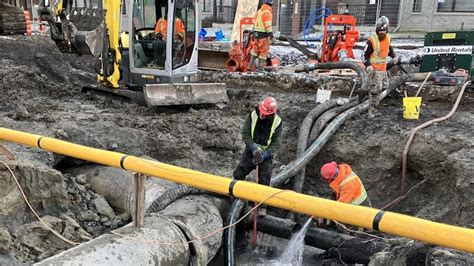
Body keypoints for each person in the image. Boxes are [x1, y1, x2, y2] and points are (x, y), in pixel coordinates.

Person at [232, 97, 283, 215]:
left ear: (271, 113)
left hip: (266, 155)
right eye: (261, 111)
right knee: (240, 171)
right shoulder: (253, 115)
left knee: (265, 179)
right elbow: (245, 134)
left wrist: (265, 155)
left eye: (265, 114)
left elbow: (276, 144)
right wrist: (254, 148)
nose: (262, 115)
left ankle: (261, 206)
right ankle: (234, 194)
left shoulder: (277, 122)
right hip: (251, 150)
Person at [363, 15, 398, 118]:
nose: (382, 33)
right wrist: (368, 65)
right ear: (377, 30)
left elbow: (389, 49)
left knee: (385, 87)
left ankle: (373, 104)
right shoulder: (372, 40)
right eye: (380, 31)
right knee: (375, 90)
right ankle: (371, 111)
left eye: (384, 31)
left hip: (383, 68)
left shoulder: (388, 38)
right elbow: (364, 55)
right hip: (375, 70)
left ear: (387, 30)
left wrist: (394, 56)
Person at [248, 0, 274, 71]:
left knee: (255, 50)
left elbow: (254, 23)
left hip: (256, 34)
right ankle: (260, 69)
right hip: (263, 35)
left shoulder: (259, 11)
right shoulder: (267, 12)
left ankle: (249, 66)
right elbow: (267, 25)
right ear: (271, 4)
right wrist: (271, 35)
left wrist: (254, 32)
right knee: (263, 51)